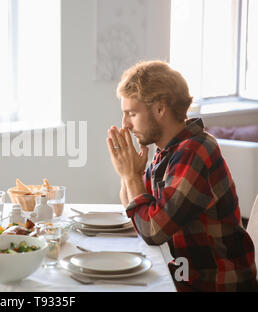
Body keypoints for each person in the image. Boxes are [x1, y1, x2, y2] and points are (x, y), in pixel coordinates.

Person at [106, 60, 257, 291]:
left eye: (132, 114)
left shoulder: (195, 151)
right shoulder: (168, 150)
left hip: (213, 285)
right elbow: (136, 211)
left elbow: (152, 231)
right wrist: (131, 174)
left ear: (160, 108)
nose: (125, 125)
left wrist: (131, 176)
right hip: (184, 275)